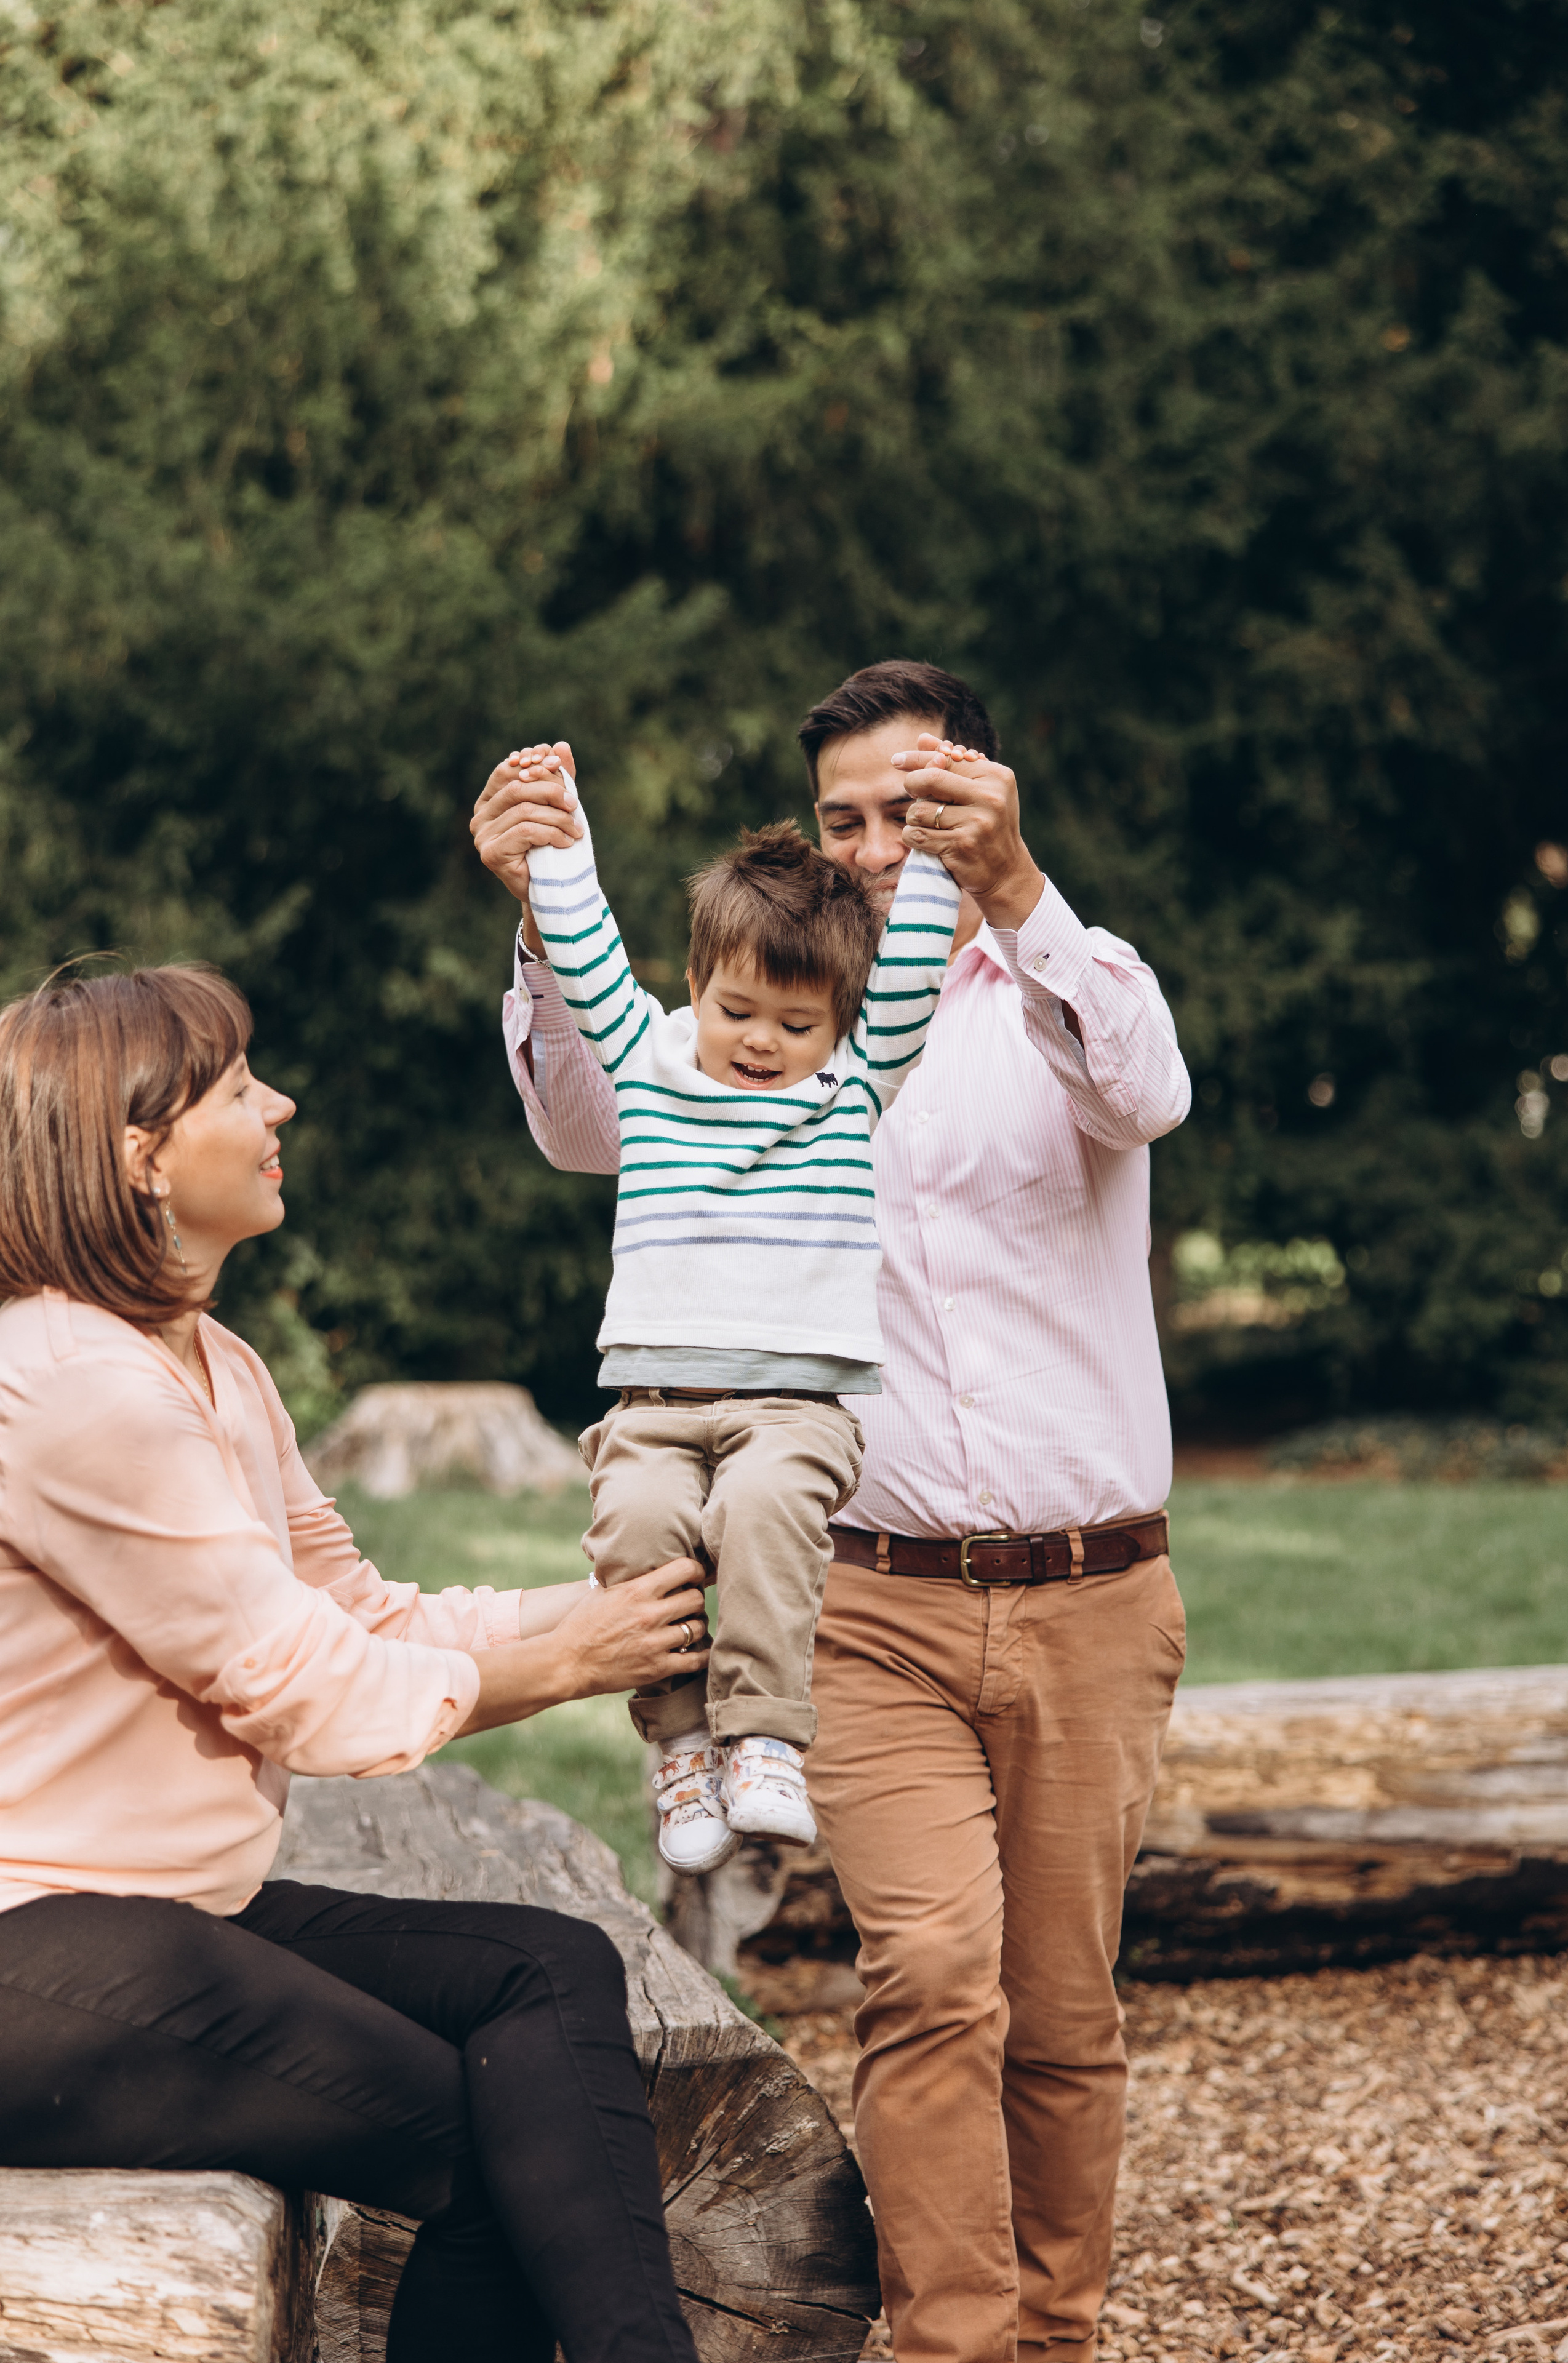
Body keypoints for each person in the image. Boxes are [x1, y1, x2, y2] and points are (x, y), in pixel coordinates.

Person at [471, 660, 1191, 2363]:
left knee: (1067, 2015)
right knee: (934, 1978)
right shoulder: (765, 1027)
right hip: (860, 1593)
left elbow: (1146, 1091)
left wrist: (1016, 895)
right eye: (848, 819)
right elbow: (592, 1124)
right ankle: (951, 2347)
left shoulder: (1068, 994)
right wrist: (536, 917)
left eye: (912, 811)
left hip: (1094, 1592)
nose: (876, 846)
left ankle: (1056, 2333)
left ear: (984, 804)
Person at [0, 962, 712, 2363]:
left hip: (156, 1912)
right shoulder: (70, 1383)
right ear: (141, 1154)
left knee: (543, 1970)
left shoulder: (210, 1362)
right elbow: (300, 1686)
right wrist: (567, 1667)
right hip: (32, 1943)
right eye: (234, 1086)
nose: (280, 1104)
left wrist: (596, 1609)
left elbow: (362, 1616)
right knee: (476, 2141)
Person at [519, 762, 958, 1873]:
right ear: (695, 984)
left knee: (766, 1514)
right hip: (654, 1400)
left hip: (795, 1405)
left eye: (798, 1023)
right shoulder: (648, 1058)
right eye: (738, 1011)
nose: (762, 1041)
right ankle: (680, 1748)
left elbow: (909, 971)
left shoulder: (857, 1084)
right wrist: (561, 838)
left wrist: (945, 848)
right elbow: (584, 951)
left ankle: (763, 1735)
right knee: (635, 1536)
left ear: (843, 1026)